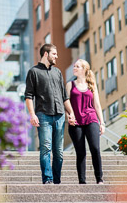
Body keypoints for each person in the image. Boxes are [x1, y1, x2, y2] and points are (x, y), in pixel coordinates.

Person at [25, 44, 76, 184]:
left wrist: (71, 113)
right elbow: (28, 96)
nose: (57, 56)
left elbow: (65, 97)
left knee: (59, 152)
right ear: (46, 54)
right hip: (43, 115)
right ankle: (48, 180)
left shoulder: (58, 72)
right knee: (46, 148)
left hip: (59, 115)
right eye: (54, 53)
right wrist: (32, 114)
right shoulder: (33, 72)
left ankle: (57, 181)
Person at [66, 59, 106, 184]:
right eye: (74, 66)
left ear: (84, 69)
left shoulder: (92, 85)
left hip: (91, 119)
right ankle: (82, 181)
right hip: (75, 122)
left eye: (77, 66)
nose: (74, 68)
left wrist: (102, 122)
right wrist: (68, 115)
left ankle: (99, 179)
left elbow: (97, 105)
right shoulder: (70, 85)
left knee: (95, 148)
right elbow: (65, 103)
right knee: (80, 152)